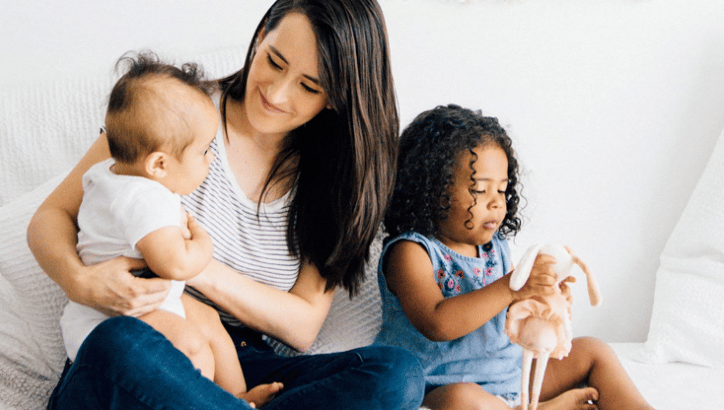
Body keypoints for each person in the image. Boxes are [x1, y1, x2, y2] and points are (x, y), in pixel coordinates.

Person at [28, 1, 424, 409]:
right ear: (259, 37)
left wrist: (187, 266)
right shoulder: (172, 111)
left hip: (236, 363)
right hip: (139, 350)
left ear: (336, 99)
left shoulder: (333, 179)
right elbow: (51, 216)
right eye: (274, 61)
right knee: (118, 345)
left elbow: (303, 324)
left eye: (309, 86)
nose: (276, 93)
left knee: (397, 376)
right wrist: (79, 281)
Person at [374, 104, 655, 410]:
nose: (497, 203)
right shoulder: (411, 252)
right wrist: (512, 286)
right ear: (428, 190)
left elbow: (507, 319)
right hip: (441, 384)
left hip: (510, 375)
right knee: (462, 401)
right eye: (480, 190)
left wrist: (540, 298)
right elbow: (437, 323)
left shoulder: (496, 248)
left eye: (503, 190)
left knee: (594, 351)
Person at [59, 52, 282, 407]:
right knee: (191, 345)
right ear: (159, 164)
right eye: (204, 150)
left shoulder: (108, 175)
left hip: (147, 304)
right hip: (119, 317)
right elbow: (175, 264)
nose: (211, 159)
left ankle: (235, 398)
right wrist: (202, 241)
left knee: (207, 319)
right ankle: (224, 401)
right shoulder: (146, 198)